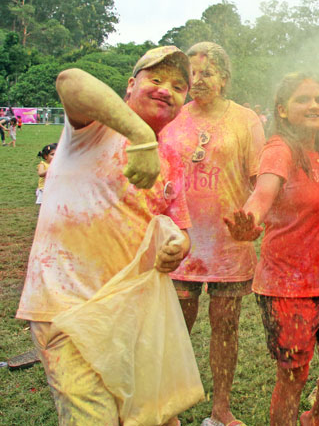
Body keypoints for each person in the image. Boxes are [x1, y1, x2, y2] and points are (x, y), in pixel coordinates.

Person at [16, 46, 193, 425]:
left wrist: (178, 247)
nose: (166, 90)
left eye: (179, 86)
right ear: (130, 86)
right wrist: (140, 136)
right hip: (67, 308)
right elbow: (69, 80)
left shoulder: (173, 159)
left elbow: (180, 227)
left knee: (152, 419)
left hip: (133, 313)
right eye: (156, 79)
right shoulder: (92, 128)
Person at [225, 73, 319, 426]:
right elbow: (262, 193)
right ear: (282, 110)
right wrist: (251, 218)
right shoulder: (279, 149)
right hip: (287, 290)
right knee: (293, 379)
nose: (315, 106)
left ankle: (313, 419)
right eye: (303, 99)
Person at [161, 42, 265, 426]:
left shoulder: (245, 119)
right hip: (179, 244)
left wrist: (253, 222)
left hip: (228, 245)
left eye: (207, 72)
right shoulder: (174, 117)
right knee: (175, 329)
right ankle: (169, 408)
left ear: (224, 76)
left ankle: (221, 409)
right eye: (193, 71)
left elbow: (259, 180)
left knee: (226, 328)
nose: (197, 79)